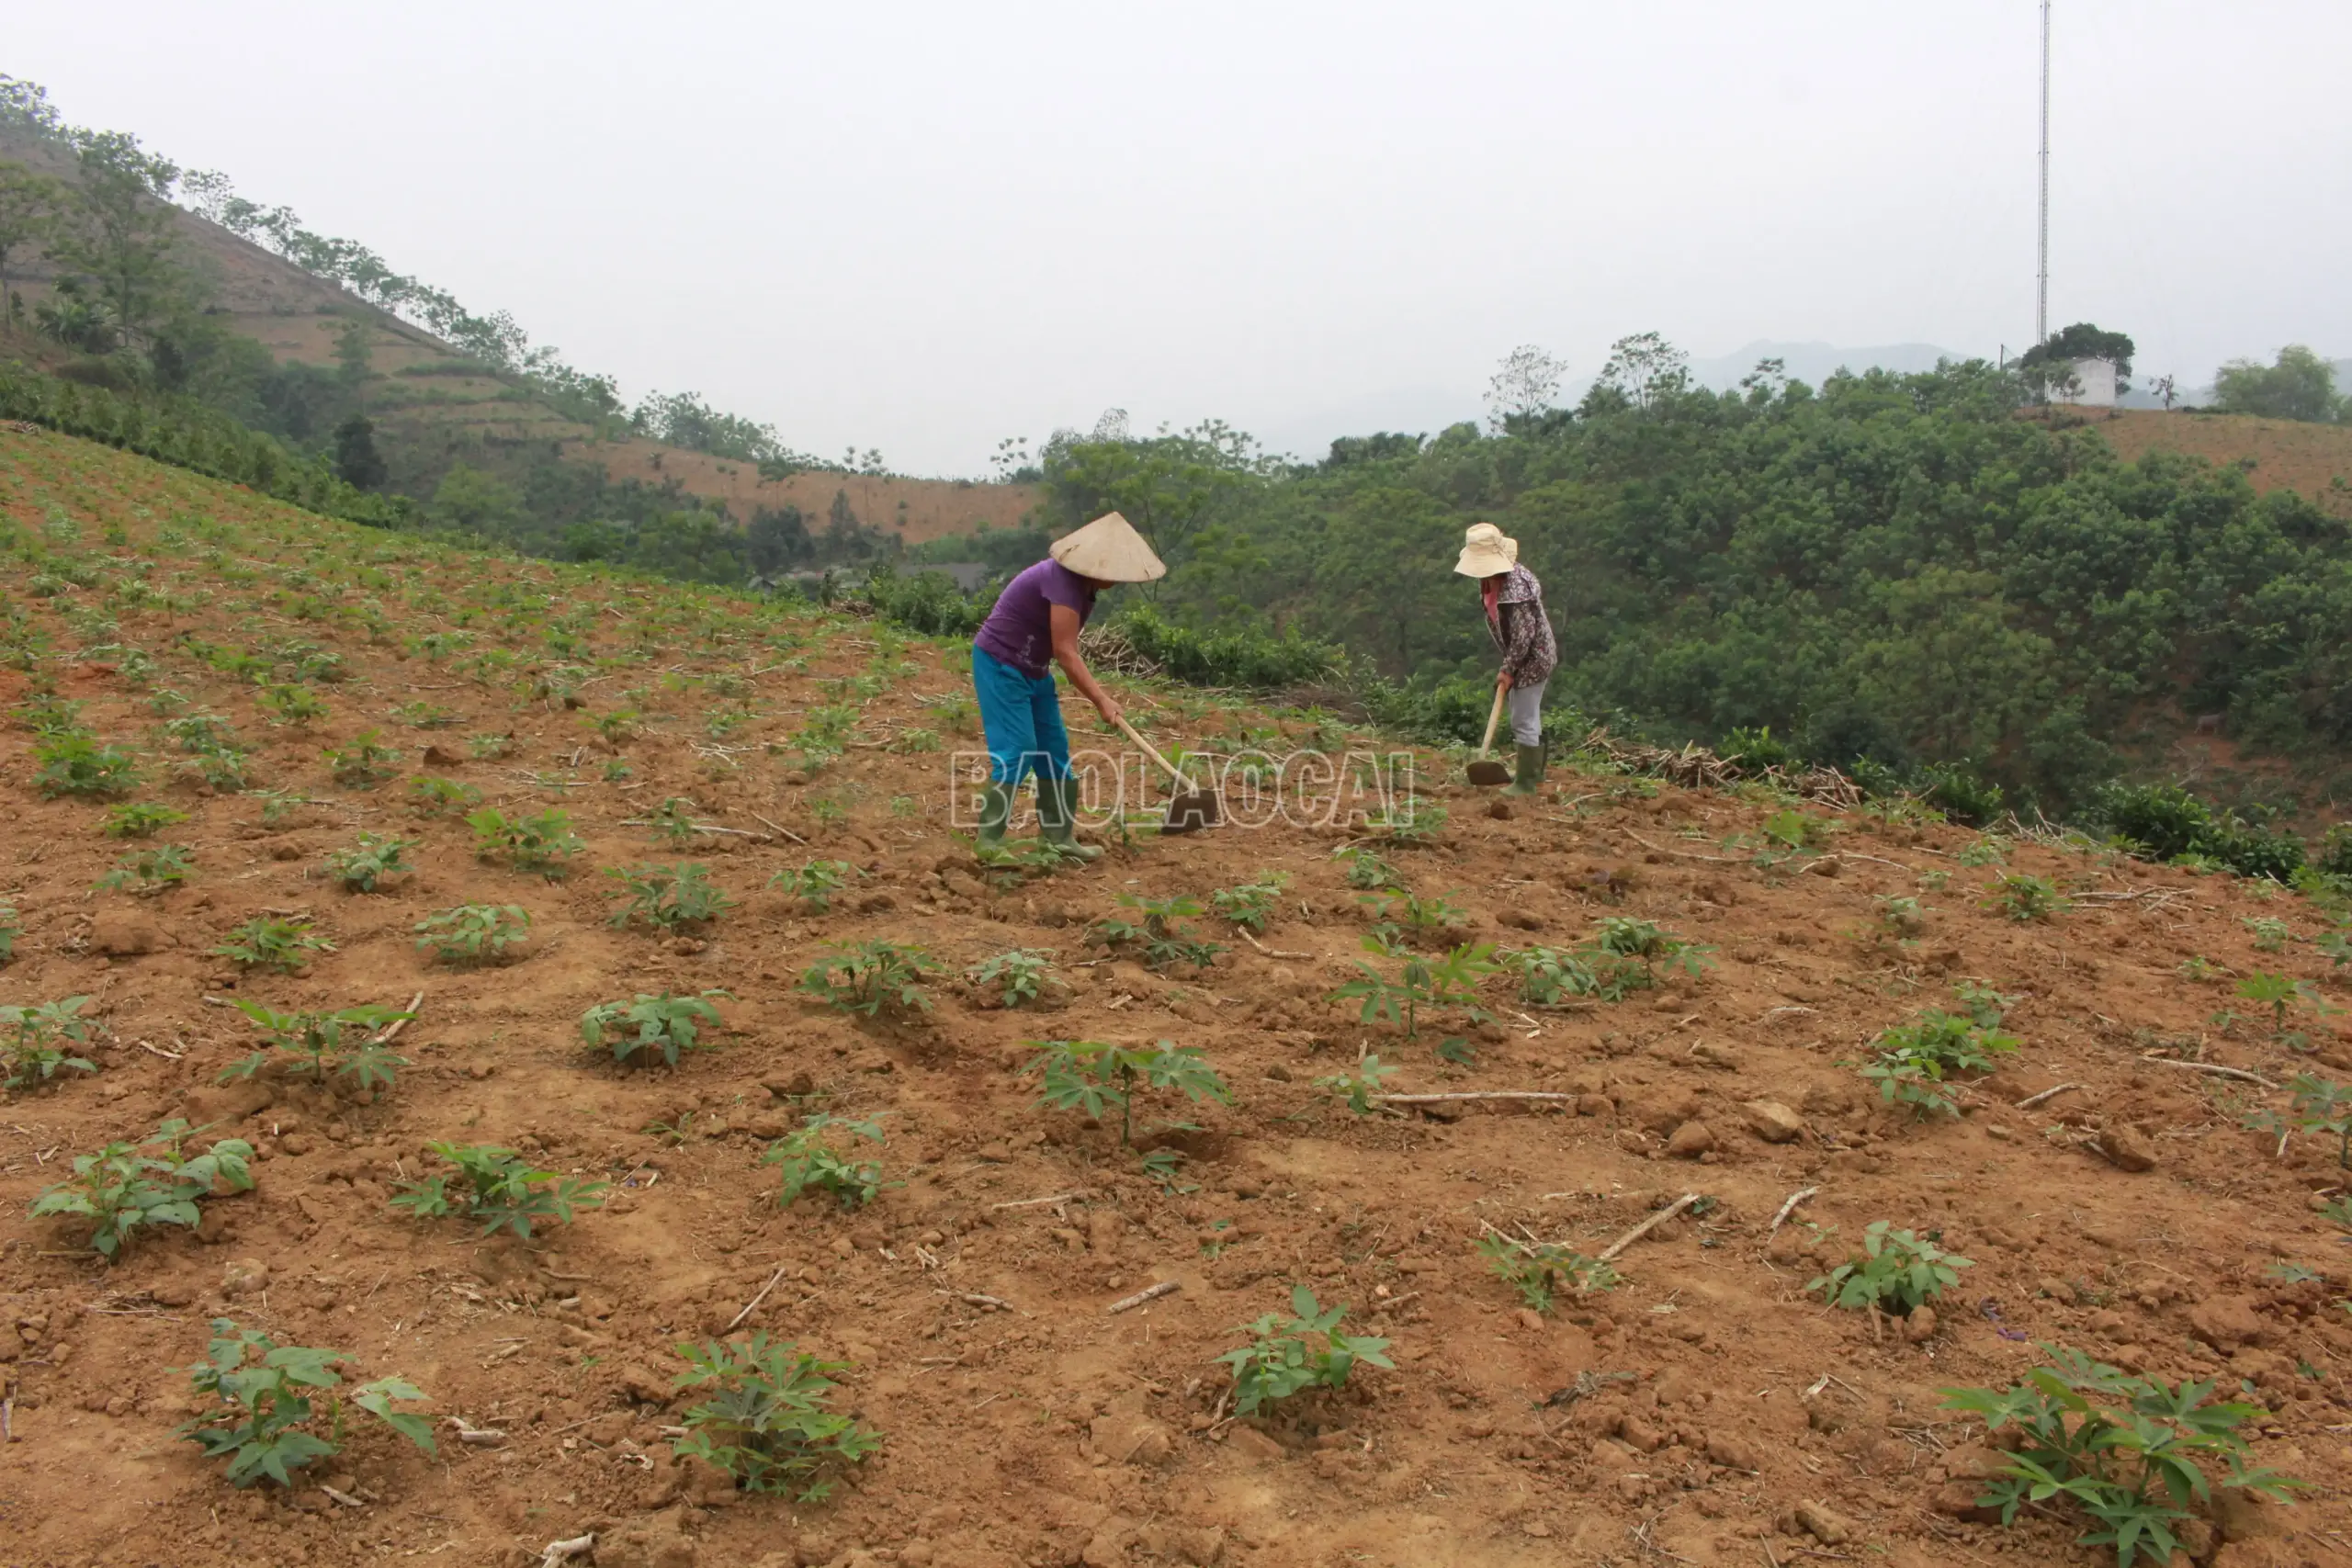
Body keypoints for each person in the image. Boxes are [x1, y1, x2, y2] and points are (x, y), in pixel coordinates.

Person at [968, 511, 1166, 856]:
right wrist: (1102, 700)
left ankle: (1059, 839)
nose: (1117, 580)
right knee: (1018, 750)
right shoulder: (1061, 582)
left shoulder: (1082, 587)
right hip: (1001, 663)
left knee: (1054, 750)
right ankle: (989, 842)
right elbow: (1066, 651)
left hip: (1034, 669)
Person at [1453, 521, 1557, 795]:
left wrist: (1508, 669)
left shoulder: (1515, 590)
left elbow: (1524, 637)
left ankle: (1526, 783)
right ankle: (1533, 772)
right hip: (1521, 657)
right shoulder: (1490, 581)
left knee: (1522, 719)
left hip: (1533, 658)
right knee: (1527, 714)